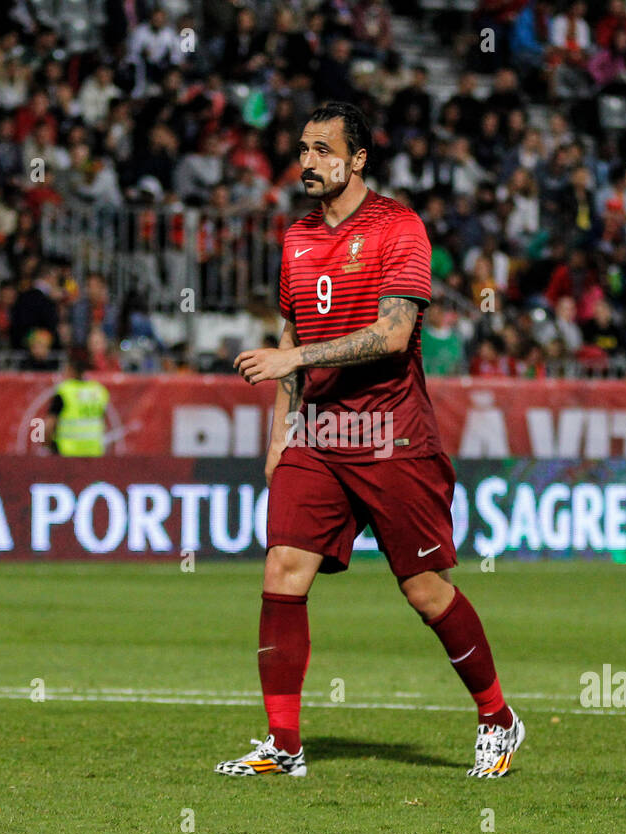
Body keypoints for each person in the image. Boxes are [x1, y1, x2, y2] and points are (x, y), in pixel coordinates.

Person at [223, 102, 523, 779]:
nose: (308, 162)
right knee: (282, 571)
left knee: (425, 590)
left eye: (325, 150)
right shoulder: (296, 239)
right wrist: (279, 438)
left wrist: (293, 364)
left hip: (393, 435)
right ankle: (284, 745)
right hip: (321, 438)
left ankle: (498, 718)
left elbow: (392, 336)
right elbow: (292, 337)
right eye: (303, 149)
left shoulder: (399, 227)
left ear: (358, 159)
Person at [45, 350, 109, 457]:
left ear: (71, 371)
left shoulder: (65, 391)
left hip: (68, 452)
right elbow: (103, 422)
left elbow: (49, 424)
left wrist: (47, 445)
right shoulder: (98, 391)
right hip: (93, 452)